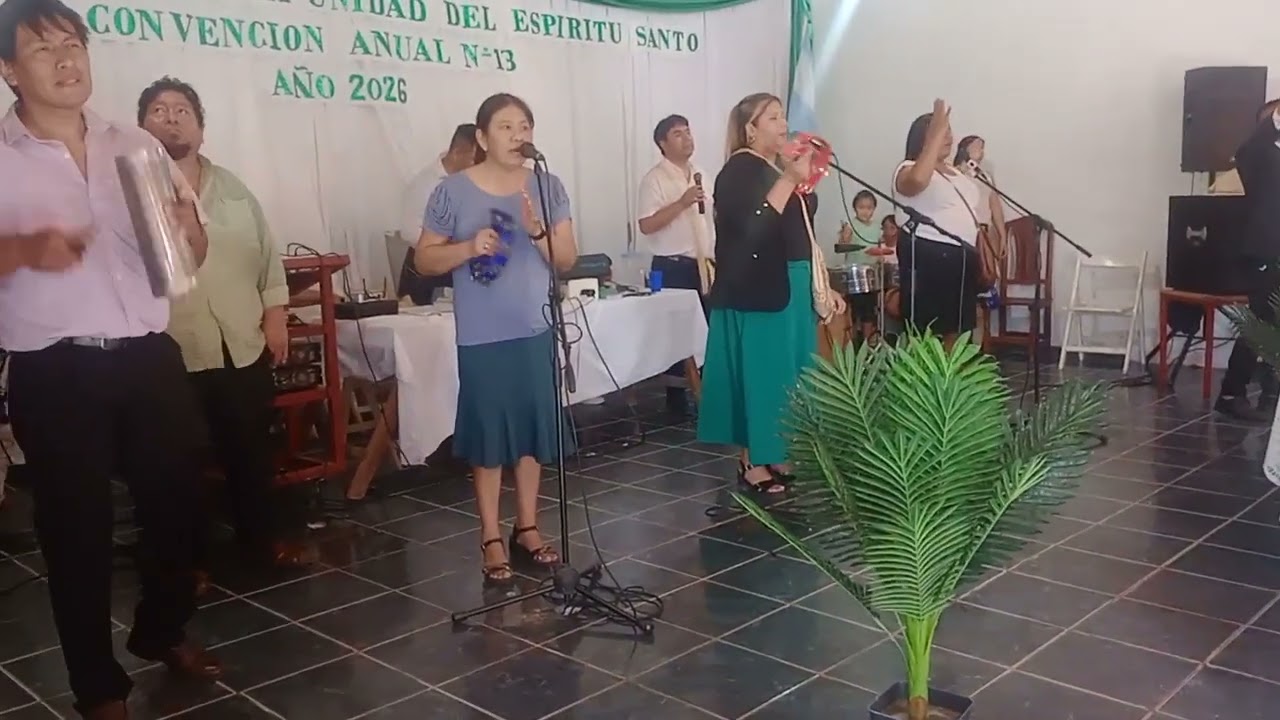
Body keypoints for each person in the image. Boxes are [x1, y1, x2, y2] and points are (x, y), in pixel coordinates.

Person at [0, 2, 221, 717]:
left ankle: (159, 629)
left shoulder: (137, 144)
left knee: (183, 505)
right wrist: (26, 250)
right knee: (77, 533)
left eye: (74, 44)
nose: (67, 60)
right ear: (8, 71)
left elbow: (188, 253)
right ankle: (98, 687)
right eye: (43, 50)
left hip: (148, 354)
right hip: (55, 368)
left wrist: (191, 234)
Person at [137, 76, 315, 586]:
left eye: (182, 111)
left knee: (251, 452)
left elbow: (267, 255)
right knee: (178, 465)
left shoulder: (233, 187)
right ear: (140, 126)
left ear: (201, 126)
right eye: (158, 110)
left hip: (241, 343)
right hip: (171, 349)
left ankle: (262, 542)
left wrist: (276, 313)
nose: (171, 118)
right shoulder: (129, 191)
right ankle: (187, 564)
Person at [413, 93, 576, 584]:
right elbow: (423, 261)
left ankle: (528, 527)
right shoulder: (452, 192)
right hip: (483, 336)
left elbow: (566, 259)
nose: (518, 135)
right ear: (481, 138)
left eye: (524, 125)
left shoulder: (547, 186)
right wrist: (466, 247)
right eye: (505, 127)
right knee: (489, 440)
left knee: (530, 434)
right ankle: (490, 537)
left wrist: (538, 231)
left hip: (535, 329)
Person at [698, 92, 843, 494]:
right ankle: (750, 459)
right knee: (760, 375)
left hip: (791, 282)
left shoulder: (773, 168)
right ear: (750, 128)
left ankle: (777, 450)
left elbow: (800, 231)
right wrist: (789, 180)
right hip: (758, 289)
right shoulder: (739, 171)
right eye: (774, 118)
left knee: (788, 375)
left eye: (783, 117)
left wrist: (821, 283)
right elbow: (755, 228)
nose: (783, 125)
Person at [636, 113, 714, 412]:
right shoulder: (654, 179)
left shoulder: (700, 174)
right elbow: (646, 224)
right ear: (662, 143)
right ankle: (676, 397)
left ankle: (708, 393)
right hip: (673, 265)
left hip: (704, 264)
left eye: (688, 131)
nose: (687, 138)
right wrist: (681, 203)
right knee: (676, 333)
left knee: (706, 329)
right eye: (678, 134)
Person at [893, 100, 982, 347]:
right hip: (928, 253)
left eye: (949, 131)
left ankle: (951, 381)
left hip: (961, 257)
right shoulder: (908, 168)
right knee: (927, 329)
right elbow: (917, 181)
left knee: (958, 327)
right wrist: (933, 140)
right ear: (923, 138)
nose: (948, 137)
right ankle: (923, 382)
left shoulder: (957, 172)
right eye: (941, 131)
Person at [1216, 99, 1280, 421]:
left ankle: (1272, 389)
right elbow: (1251, 150)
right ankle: (1231, 392)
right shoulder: (1256, 151)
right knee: (1260, 322)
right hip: (1267, 249)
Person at [838, 190, 884, 341]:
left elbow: (881, 248)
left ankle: (867, 342)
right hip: (854, 275)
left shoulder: (878, 227)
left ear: (874, 209)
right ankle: (851, 342)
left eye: (869, 207)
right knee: (853, 311)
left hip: (870, 276)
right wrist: (844, 237)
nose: (865, 211)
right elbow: (841, 246)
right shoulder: (850, 225)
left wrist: (881, 256)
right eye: (861, 207)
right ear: (855, 208)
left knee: (869, 311)